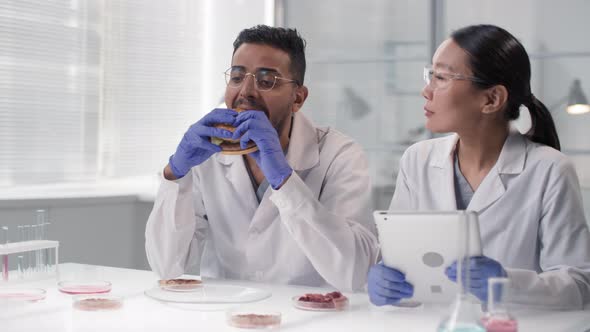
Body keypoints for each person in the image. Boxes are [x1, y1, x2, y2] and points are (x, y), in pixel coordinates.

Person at [368, 24, 590, 309]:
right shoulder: (417, 159)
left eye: (441, 77)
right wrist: (383, 278)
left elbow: (579, 283)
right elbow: (398, 258)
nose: (426, 90)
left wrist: (506, 284)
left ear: (491, 99)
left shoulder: (549, 170)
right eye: (430, 75)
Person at [145, 25, 378, 291]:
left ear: (298, 98)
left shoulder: (339, 155)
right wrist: (175, 173)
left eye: (267, 81)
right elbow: (166, 266)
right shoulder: (206, 154)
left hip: (310, 317)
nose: (246, 92)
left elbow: (357, 272)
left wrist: (284, 180)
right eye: (236, 77)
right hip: (225, 316)